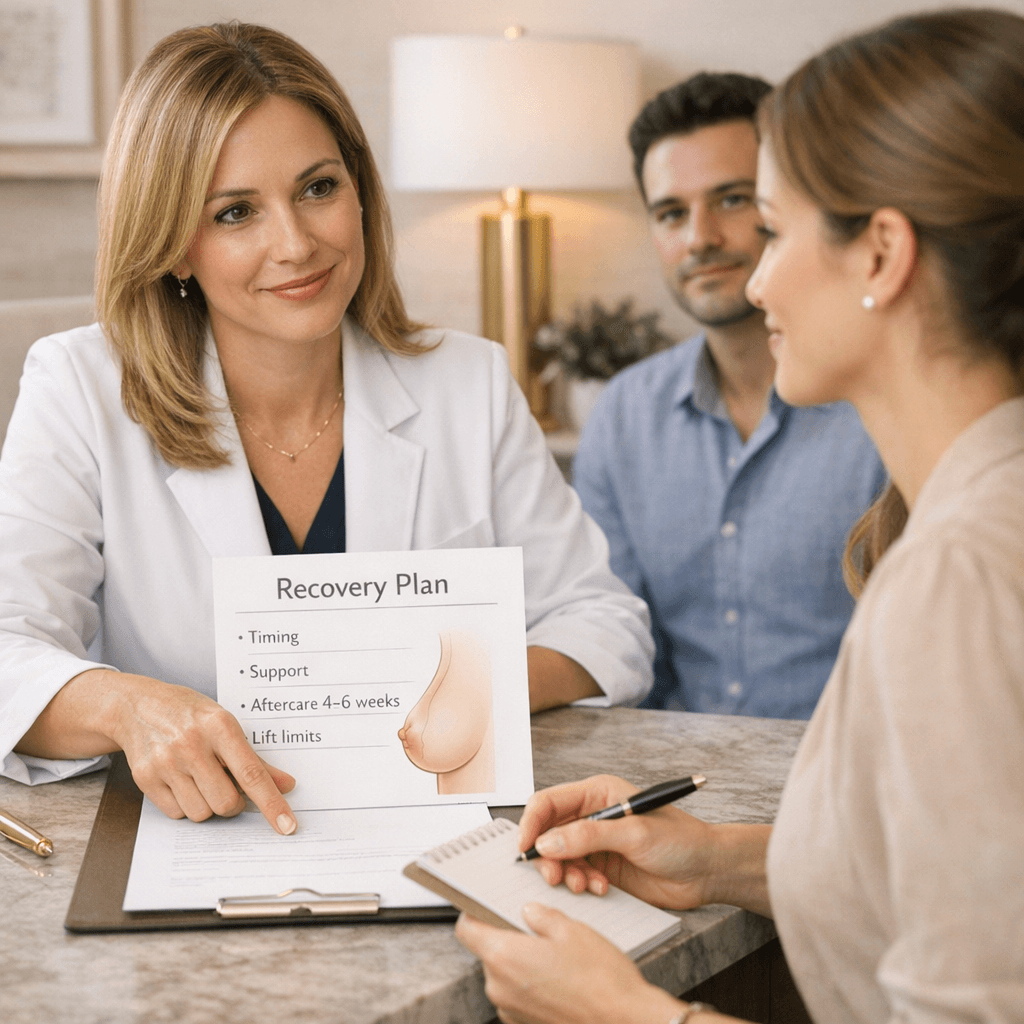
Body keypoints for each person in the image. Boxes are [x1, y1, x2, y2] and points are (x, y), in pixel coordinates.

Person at [457, 8, 1024, 1022]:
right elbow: (963, 876)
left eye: (772, 223)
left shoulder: (957, 577)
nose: (750, 272)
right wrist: (715, 860)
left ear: (881, 254)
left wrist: (621, 1012)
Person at [0, 23, 654, 832]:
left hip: (433, 829)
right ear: (173, 244)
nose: (297, 244)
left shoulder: (468, 381)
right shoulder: (80, 387)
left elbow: (604, 623)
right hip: (196, 841)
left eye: (318, 188)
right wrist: (125, 707)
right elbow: (7, 646)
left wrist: (460, 691)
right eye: (235, 212)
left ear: (359, 191)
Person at [573, 72, 886, 718]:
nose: (700, 237)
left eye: (733, 199)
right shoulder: (625, 415)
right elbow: (617, 643)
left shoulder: (881, 401)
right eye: (671, 213)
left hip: (851, 788)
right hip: (671, 792)